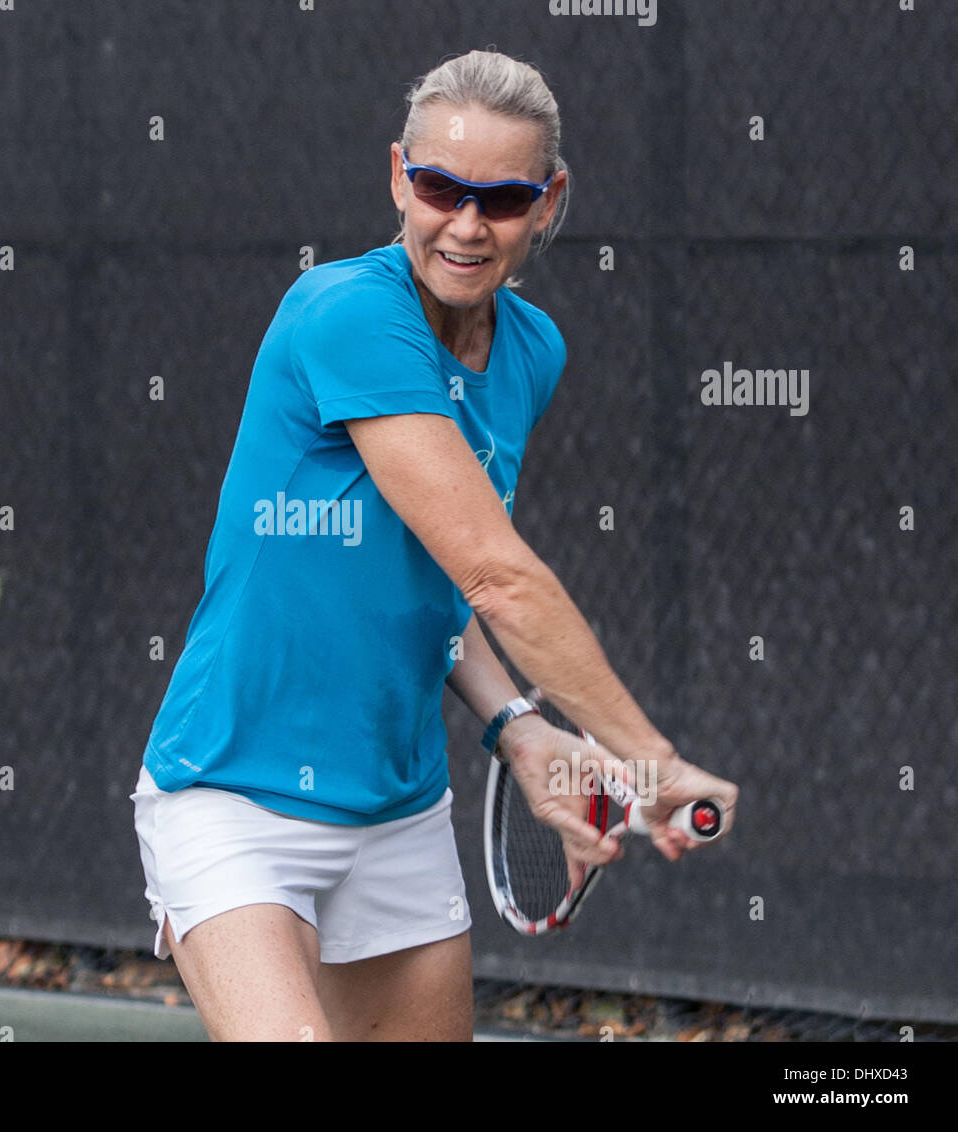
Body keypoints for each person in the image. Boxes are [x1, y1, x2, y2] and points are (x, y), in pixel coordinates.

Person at [132, 49, 738, 1042]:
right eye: (438, 187)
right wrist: (648, 761)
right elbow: (499, 574)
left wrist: (522, 729)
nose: (464, 223)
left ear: (549, 201)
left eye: (500, 198)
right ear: (395, 179)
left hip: (399, 813)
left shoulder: (531, 352)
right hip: (229, 794)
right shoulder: (341, 312)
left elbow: (438, 585)